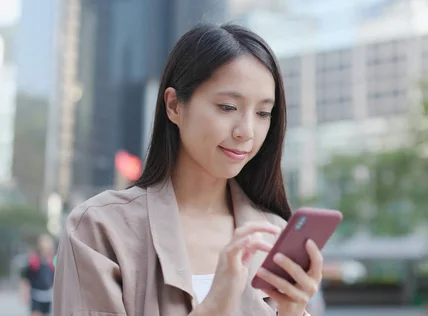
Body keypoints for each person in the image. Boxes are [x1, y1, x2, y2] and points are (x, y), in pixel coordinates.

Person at [53, 23, 322, 316]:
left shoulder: (273, 235)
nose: (246, 131)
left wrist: (293, 310)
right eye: (227, 107)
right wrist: (215, 306)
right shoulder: (100, 228)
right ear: (174, 106)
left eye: (262, 113)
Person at [20, 234, 55, 316]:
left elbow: (55, 280)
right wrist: (24, 293)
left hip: (48, 296)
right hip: (36, 296)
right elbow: (26, 279)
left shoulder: (53, 260)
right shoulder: (33, 260)